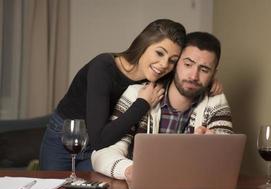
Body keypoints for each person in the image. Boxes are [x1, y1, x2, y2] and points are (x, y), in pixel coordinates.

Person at [39, 19, 187, 171]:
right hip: (65, 139)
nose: (164, 64)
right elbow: (99, 139)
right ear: (144, 44)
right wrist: (143, 103)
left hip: (102, 150)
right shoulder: (103, 67)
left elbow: (189, 76)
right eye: (159, 53)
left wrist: (210, 85)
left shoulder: (159, 77)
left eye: (172, 60)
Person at [91, 32, 233, 180]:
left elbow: (228, 164)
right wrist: (131, 171)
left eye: (204, 70)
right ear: (175, 63)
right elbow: (102, 153)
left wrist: (213, 150)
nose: (193, 76)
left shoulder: (216, 101)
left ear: (213, 74)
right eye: (188, 64)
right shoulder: (136, 95)